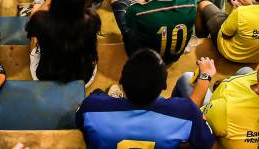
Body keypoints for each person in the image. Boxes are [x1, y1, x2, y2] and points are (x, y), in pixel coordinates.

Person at [76, 49, 214, 149]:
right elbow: (207, 143)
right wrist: (205, 76)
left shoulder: (92, 107)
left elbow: (79, 125)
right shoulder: (186, 112)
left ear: (122, 82)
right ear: (164, 86)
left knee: (99, 93)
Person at [26, 0, 100, 84]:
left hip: (47, 75)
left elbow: (30, 30)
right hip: (83, 76)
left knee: (35, 9)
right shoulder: (92, 18)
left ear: (54, 1)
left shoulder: (41, 20)